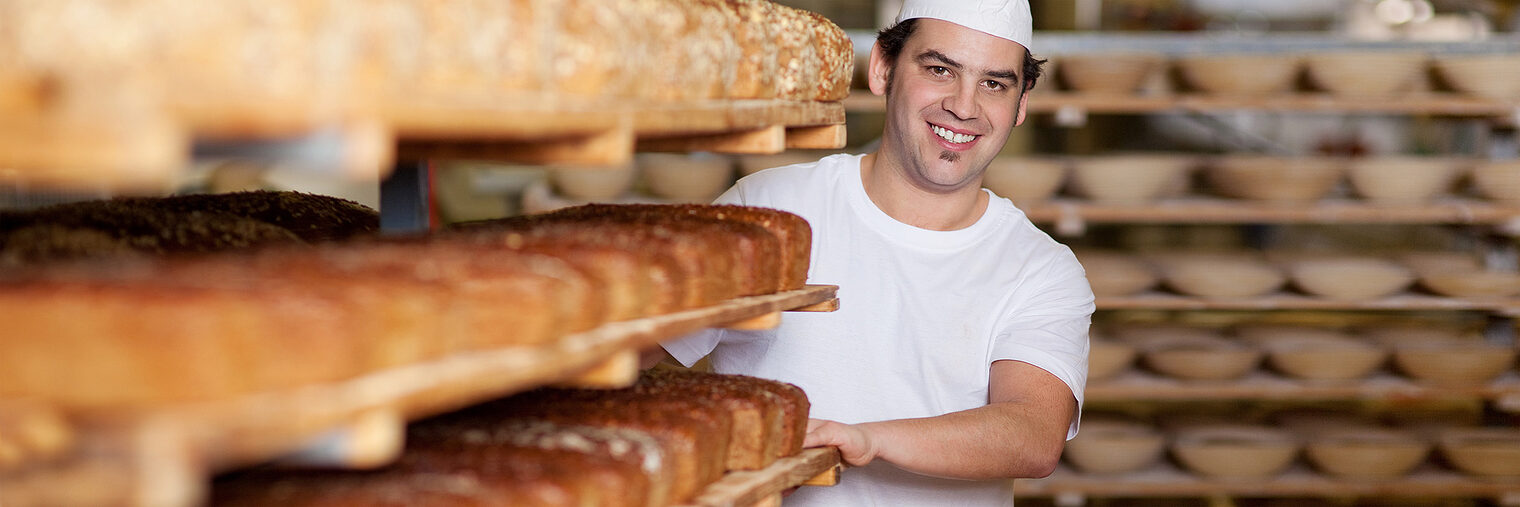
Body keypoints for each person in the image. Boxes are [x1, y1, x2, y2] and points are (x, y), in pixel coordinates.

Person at [658, 1, 1094, 504]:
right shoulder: (769, 210)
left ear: (1020, 106)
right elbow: (637, 350)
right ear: (882, 69)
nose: (964, 106)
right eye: (939, 70)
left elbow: (1033, 434)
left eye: (994, 84)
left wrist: (866, 439)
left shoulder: (1041, 269)